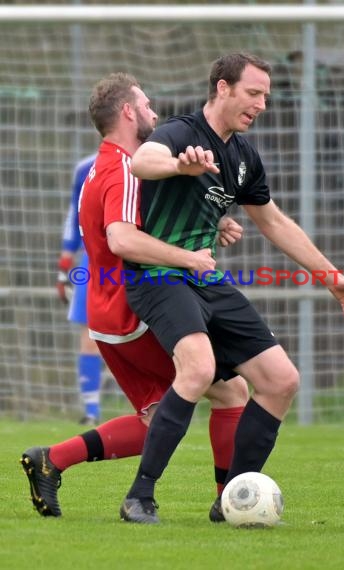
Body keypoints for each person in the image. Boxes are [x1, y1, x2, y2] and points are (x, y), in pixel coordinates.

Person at [123, 52, 344, 524]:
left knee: (280, 380)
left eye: (265, 94)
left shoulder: (243, 157)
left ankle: (233, 502)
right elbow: (143, 160)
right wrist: (180, 167)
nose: (262, 103)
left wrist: (332, 278)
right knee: (199, 367)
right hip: (158, 275)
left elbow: (275, 223)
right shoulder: (182, 133)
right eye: (253, 92)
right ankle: (139, 497)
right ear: (222, 88)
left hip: (205, 277)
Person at [20, 72, 248, 520]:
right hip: (132, 309)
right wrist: (189, 257)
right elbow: (123, 241)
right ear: (127, 112)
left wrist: (213, 225)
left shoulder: (105, 167)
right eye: (145, 105)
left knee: (157, 422)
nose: (154, 113)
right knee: (231, 391)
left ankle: (52, 459)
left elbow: (138, 224)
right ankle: (227, 500)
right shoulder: (123, 169)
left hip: (108, 314)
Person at [57, 154, 102, 425]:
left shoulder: (149, 159)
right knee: (89, 333)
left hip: (138, 259)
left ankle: (158, 406)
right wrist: (65, 263)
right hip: (94, 262)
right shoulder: (86, 167)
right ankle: (92, 411)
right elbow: (74, 216)